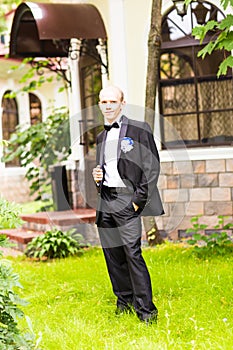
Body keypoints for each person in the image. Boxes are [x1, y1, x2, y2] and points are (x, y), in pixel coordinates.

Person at [92, 85, 164, 323]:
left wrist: (137, 202)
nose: (108, 106)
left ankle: (146, 312)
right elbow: (107, 168)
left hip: (127, 200)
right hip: (106, 200)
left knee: (132, 253)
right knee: (113, 255)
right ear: (100, 105)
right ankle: (124, 302)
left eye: (113, 101)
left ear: (122, 104)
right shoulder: (101, 136)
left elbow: (152, 167)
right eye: (104, 102)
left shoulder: (139, 129)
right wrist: (98, 177)